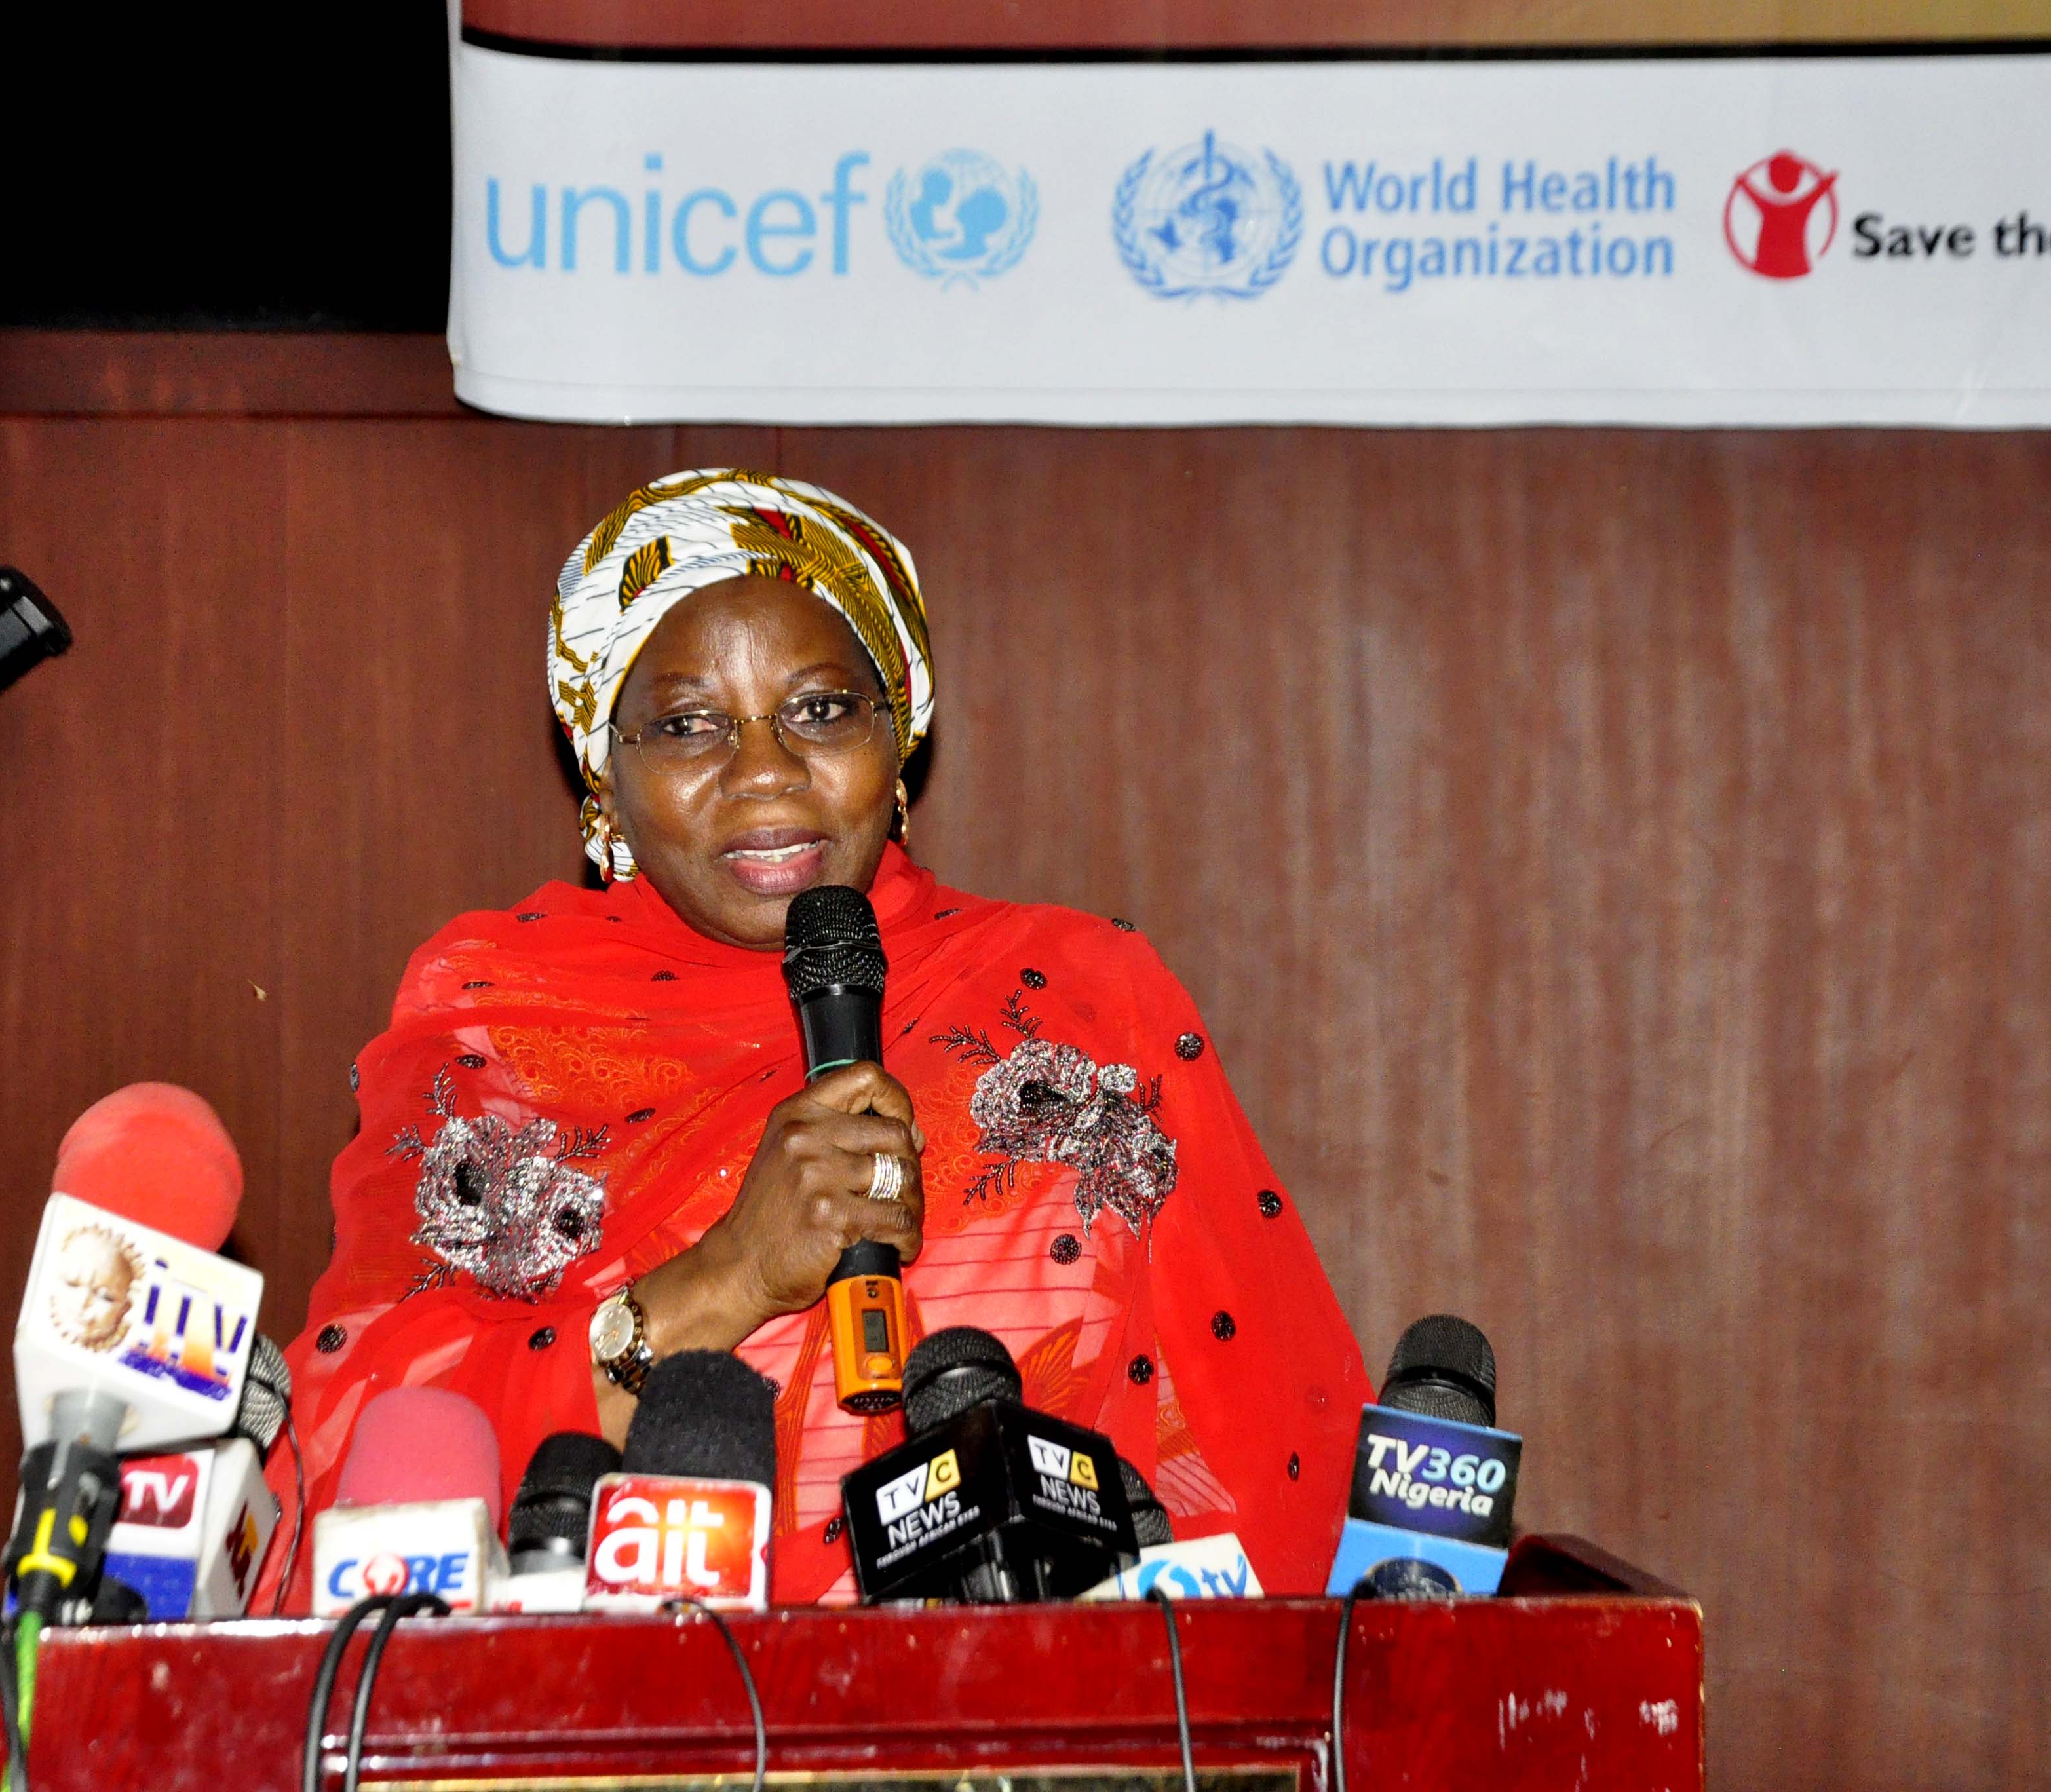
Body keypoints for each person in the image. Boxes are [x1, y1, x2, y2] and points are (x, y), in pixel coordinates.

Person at [280, 468, 1371, 1601]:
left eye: (819, 710)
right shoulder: (500, 1027)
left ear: (898, 740)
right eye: (687, 725)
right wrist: (730, 1275)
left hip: (1047, 1690)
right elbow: (356, 1447)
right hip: (630, 1696)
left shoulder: (1078, 1000)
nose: (765, 771)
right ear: (604, 778)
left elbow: (1255, 1468)